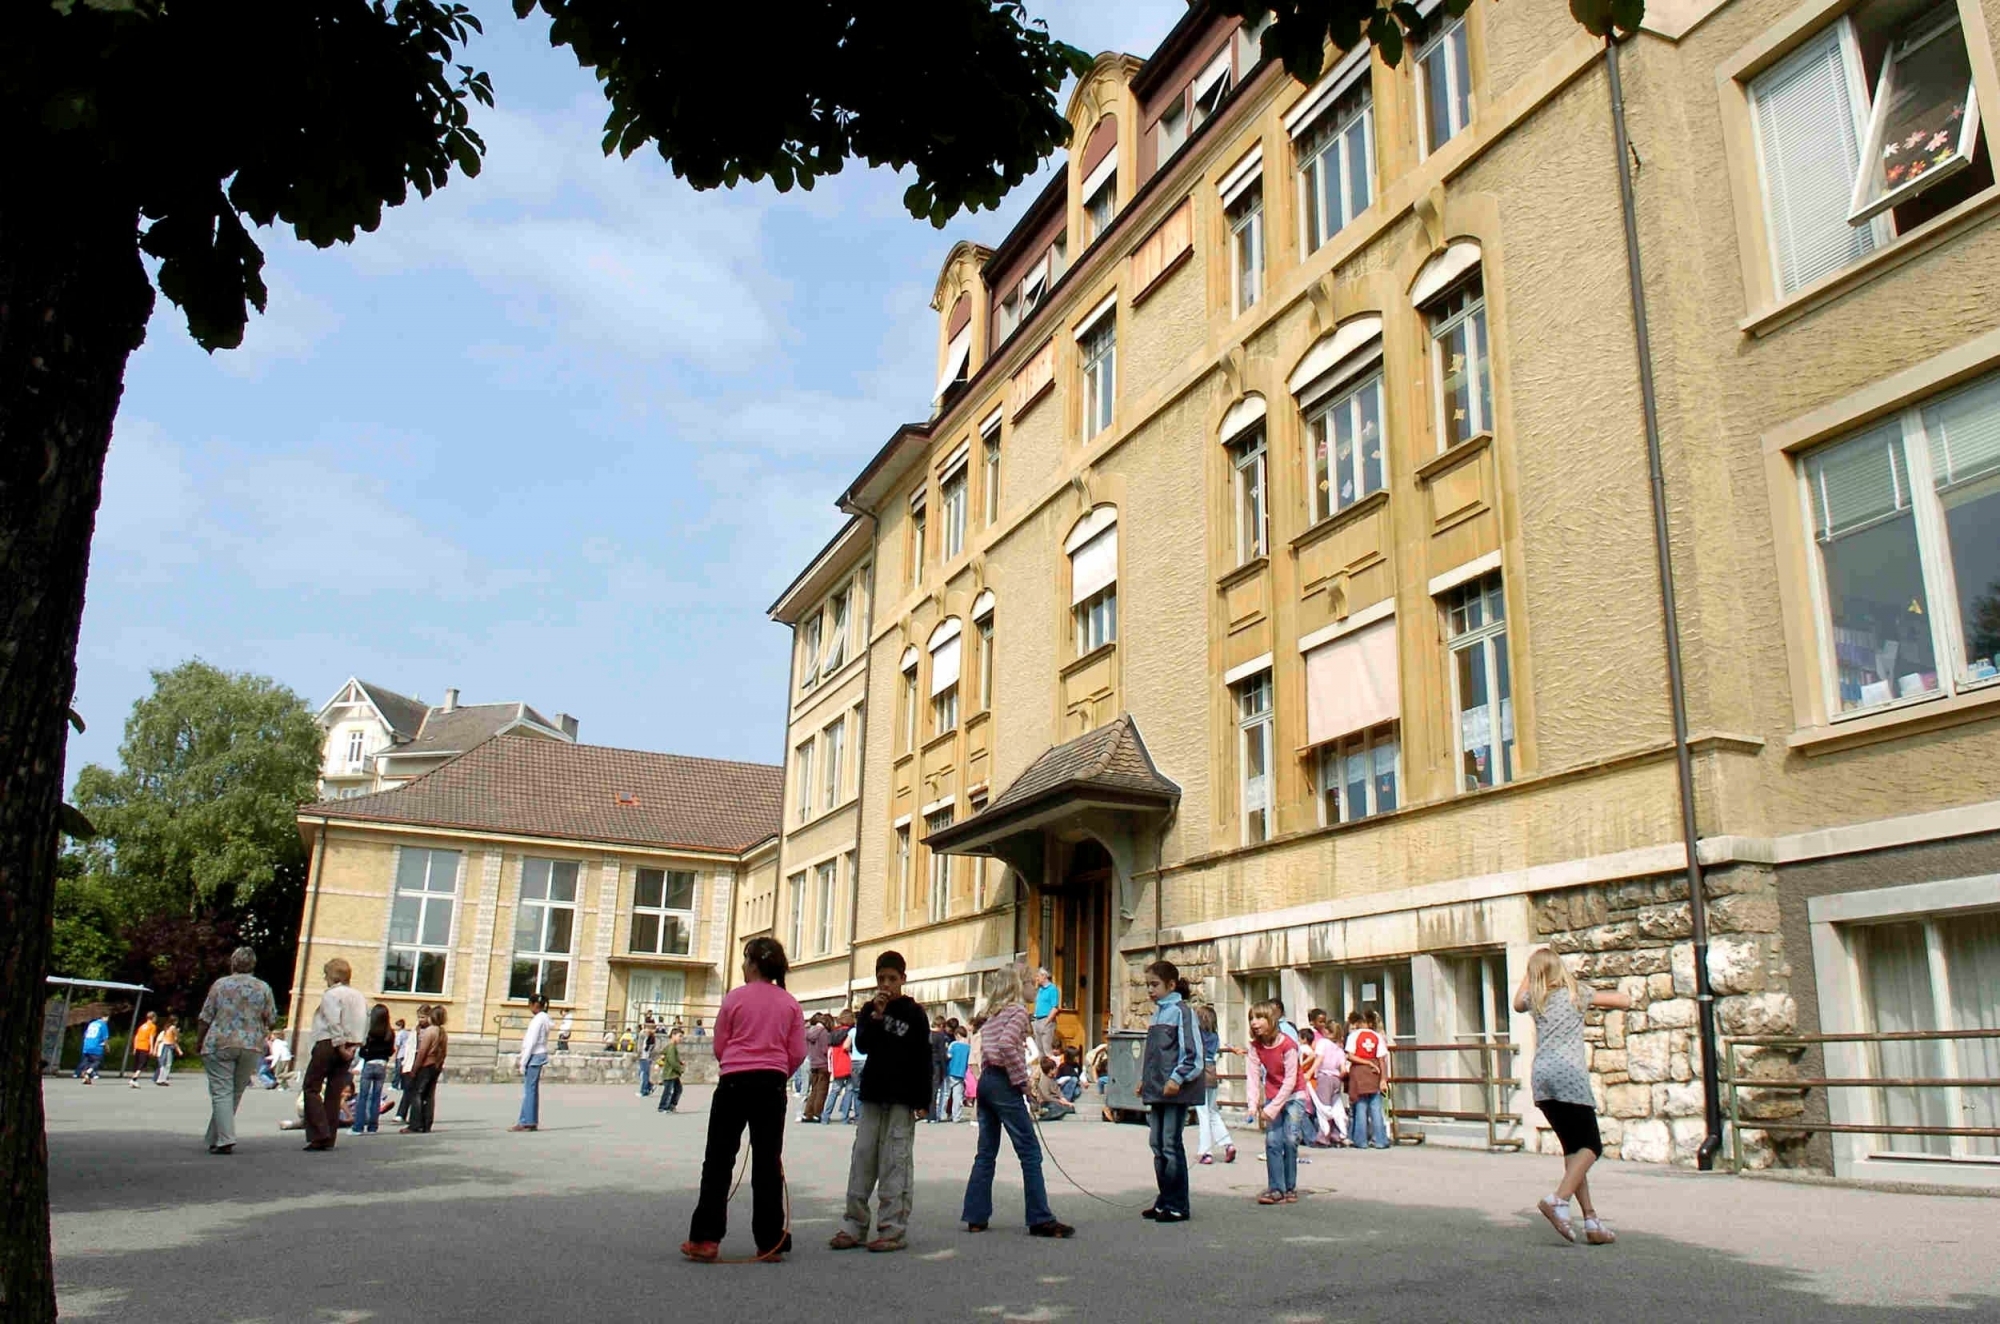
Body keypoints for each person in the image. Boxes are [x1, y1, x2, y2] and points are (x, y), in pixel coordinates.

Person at [683, 937, 806, 1264]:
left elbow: (720, 1043)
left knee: (719, 1160)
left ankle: (706, 1238)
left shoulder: (734, 998)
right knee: (768, 1162)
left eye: (744, 959)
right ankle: (769, 1240)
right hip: (772, 1083)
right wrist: (779, 1072)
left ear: (752, 964)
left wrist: (734, 1065)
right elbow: (797, 1052)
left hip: (735, 1081)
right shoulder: (790, 1003)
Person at [1516, 947, 1631, 1246]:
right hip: (1569, 1076)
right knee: (1592, 1145)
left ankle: (1591, 1220)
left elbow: (1517, 1002)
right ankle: (1558, 1200)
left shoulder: (1534, 1000)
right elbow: (1622, 1000)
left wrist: (1530, 974)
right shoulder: (1576, 993)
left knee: (1573, 1150)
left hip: (1542, 1078)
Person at [959, 963, 1074, 1240]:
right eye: (1032, 983)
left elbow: (992, 1047)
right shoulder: (1019, 1012)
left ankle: (976, 1215)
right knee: (1030, 1151)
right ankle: (1040, 1217)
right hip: (1003, 1083)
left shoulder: (993, 1014)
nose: (1035, 987)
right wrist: (1022, 1082)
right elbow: (1008, 1046)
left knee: (986, 1152)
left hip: (987, 1081)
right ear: (1019, 986)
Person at [831, 951, 931, 1253]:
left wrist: (923, 1098)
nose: (886, 984)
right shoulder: (868, 1012)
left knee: (894, 1161)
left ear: (903, 978)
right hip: (873, 1093)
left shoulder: (914, 1013)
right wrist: (874, 1017)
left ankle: (892, 1228)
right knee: (862, 1158)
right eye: (881, 979)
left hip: (901, 1096)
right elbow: (862, 1044)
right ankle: (854, 1224)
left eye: (892, 978)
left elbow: (923, 1057)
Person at [1139, 960, 1204, 1225]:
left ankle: (1178, 1204)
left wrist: (1177, 1077)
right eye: (1148, 986)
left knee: (1170, 1144)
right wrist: (1145, 1080)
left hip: (1175, 1090)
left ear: (1171, 985)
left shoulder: (1181, 1011)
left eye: (1155, 985)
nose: (1150, 991)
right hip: (1157, 1089)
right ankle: (1164, 1198)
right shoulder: (1157, 1013)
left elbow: (1193, 1054)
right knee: (1156, 1144)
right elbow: (1156, 1055)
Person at [198, 946, 278, 1154]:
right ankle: (215, 1137)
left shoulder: (221, 985)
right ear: (252, 964)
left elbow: (206, 1016)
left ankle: (225, 1139)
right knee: (233, 1093)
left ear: (233, 963)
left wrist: (199, 1041)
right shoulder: (263, 988)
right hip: (251, 1045)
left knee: (222, 1092)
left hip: (220, 1042)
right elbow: (272, 1018)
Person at [301, 958, 368, 1151]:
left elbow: (333, 1021)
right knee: (334, 1090)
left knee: (311, 1087)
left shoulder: (331, 995)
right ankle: (329, 1136)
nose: (325, 979)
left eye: (326, 975)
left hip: (328, 1043)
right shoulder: (358, 996)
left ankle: (318, 1133)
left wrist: (339, 1045)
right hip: (350, 1045)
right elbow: (362, 1023)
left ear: (332, 975)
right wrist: (354, 1046)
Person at [1245, 1000, 1306, 1205]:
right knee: (1272, 1141)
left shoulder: (1288, 1044)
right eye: (1252, 1018)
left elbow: (1290, 1080)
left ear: (1271, 1020)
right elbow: (1253, 1077)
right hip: (1273, 1095)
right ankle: (1276, 1188)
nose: (1254, 1022)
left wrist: (1272, 1107)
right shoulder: (1255, 1047)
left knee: (1290, 1139)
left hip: (1294, 1096)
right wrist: (1252, 1105)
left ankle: (1290, 1187)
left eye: (1259, 1018)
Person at [1192, 1003, 1235, 1165]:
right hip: (1212, 1072)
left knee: (1203, 1114)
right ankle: (1227, 1143)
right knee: (1213, 1112)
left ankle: (1205, 1151)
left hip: (1201, 1072)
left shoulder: (1198, 1035)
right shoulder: (1214, 1036)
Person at [1345, 1008, 1390, 1150]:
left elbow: (1350, 1056)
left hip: (1359, 1072)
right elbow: (1382, 1059)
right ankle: (1381, 1140)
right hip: (1374, 1073)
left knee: (1360, 1107)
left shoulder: (1353, 1036)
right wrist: (1383, 1079)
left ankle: (1361, 1140)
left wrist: (1365, 1062)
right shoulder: (1377, 1037)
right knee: (1376, 1108)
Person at [348, 1004, 395, 1136]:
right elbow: (391, 1050)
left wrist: (366, 1054)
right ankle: (373, 1127)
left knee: (363, 1096)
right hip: (382, 1065)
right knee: (376, 1097)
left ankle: (358, 1127)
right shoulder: (390, 1032)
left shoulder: (370, 1032)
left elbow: (363, 1051)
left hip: (369, 1064)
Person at [402, 1004, 448, 1133]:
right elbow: (444, 1052)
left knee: (417, 1094)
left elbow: (422, 1052)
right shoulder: (443, 1032)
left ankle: (415, 1124)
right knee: (429, 1095)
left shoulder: (430, 1031)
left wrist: (414, 1069)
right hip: (436, 1065)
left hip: (426, 1064)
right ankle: (427, 1123)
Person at [512, 992, 553, 1133]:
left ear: (535, 1005)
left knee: (529, 1090)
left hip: (534, 1055)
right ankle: (530, 1120)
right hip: (539, 1054)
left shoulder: (537, 1020)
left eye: (530, 1005)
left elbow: (531, 1042)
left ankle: (526, 1121)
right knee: (532, 1090)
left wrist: (523, 1061)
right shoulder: (544, 1018)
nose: (530, 1008)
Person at [396, 1007, 427, 1121]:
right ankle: (401, 1114)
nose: (420, 1019)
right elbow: (409, 1046)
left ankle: (415, 1116)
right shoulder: (415, 1029)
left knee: (418, 1091)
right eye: (419, 1017)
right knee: (408, 1088)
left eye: (423, 1017)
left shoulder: (431, 1030)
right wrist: (405, 1061)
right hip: (411, 1060)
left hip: (423, 1062)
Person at [801, 1012, 831, 1122]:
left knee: (814, 1090)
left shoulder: (809, 1031)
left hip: (813, 1063)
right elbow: (824, 1050)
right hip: (823, 1064)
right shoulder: (824, 1033)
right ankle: (817, 1113)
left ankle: (808, 1113)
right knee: (821, 1090)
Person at [827, 1017, 855, 1121]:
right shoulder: (851, 1032)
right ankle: (845, 1117)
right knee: (849, 1091)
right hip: (849, 1063)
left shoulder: (833, 1032)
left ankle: (826, 1116)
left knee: (834, 1091)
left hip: (837, 1064)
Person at [944, 1024, 970, 1122]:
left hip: (950, 1071)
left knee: (945, 1094)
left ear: (958, 1035)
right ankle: (956, 1117)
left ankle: (941, 1114)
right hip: (961, 1073)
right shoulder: (968, 1047)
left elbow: (948, 1056)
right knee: (957, 1096)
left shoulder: (953, 1044)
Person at [1031, 967, 1059, 1058]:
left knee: (1047, 1050)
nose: (1036, 979)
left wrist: (1046, 1022)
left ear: (1044, 976)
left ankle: (1050, 1070)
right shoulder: (1040, 989)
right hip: (1037, 1020)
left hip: (1046, 1021)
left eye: (1038, 976)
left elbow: (1055, 1008)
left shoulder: (1052, 989)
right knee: (1039, 1051)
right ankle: (1042, 1071)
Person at [656, 1026, 686, 1113]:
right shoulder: (671, 1047)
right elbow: (672, 1061)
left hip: (673, 1074)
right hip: (670, 1073)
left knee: (678, 1089)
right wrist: (680, 1069)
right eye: (679, 1036)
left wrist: (680, 1062)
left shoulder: (672, 1047)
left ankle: (671, 1105)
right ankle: (663, 1107)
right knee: (668, 1091)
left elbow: (670, 1057)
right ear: (673, 1035)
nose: (681, 1038)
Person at [929, 1015, 952, 1124]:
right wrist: (945, 1070)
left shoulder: (926, 1034)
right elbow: (942, 1053)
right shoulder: (940, 1036)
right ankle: (933, 1116)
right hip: (936, 1064)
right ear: (941, 1025)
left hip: (926, 1064)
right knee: (934, 1090)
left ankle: (925, 1114)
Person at [128, 1011, 159, 1088]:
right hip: (145, 1047)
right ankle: (133, 1080)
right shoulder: (152, 1026)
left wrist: (135, 1047)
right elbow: (151, 1037)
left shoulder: (142, 1026)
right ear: (153, 1018)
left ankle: (134, 1080)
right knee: (142, 1065)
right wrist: (151, 1048)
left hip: (138, 1046)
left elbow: (136, 1037)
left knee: (137, 1064)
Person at [152, 1015, 181, 1085]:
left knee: (163, 1063)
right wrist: (177, 1032)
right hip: (168, 1046)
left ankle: (161, 1079)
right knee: (168, 1064)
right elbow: (176, 1038)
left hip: (164, 1046)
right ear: (175, 1021)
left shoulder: (166, 1028)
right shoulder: (173, 1027)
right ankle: (162, 1079)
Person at [637, 1020, 657, 1098]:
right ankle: (649, 1086)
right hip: (644, 1057)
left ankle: (644, 1091)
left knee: (644, 1074)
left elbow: (646, 1048)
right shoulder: (645, 1035)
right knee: (641, 1073)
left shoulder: (650, 1036)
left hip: (645, 1057)